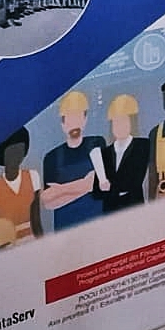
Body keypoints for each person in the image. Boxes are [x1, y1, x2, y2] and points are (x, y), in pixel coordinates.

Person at [39, 90, 108, 233]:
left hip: (98, 225)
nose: (74, 124)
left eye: (78, 117)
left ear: (85, 119)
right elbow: (48, 202)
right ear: (62, 123)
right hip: (66, 231)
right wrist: (85, 185)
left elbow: (100, 183)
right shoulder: (52, 157)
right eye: (69, 119)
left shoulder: (97, 143)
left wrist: (60, 190)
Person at [92, 94, 150, 212]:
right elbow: (96, 193)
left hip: (134, 211)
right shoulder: (104, 153)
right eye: (116, 122)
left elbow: (135, 182)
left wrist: (109, 186)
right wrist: (102, 186)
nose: (119, 126)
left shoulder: (142, 146)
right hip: (110, 213)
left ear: (132, 122)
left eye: (123, 121)